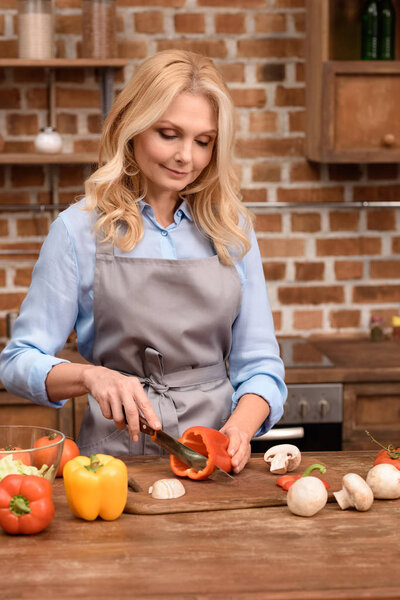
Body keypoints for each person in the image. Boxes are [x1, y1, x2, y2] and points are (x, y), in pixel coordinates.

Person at [0, 50, 286, 474]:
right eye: (169, 134)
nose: (185, 156)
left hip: (216, 464)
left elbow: (261, 366)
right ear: (131, 128)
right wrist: (90, 377)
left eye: (203, 141)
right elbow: (17, 360)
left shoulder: (232, 228)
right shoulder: (78, 230)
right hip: (115, 464)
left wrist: (239, 431)